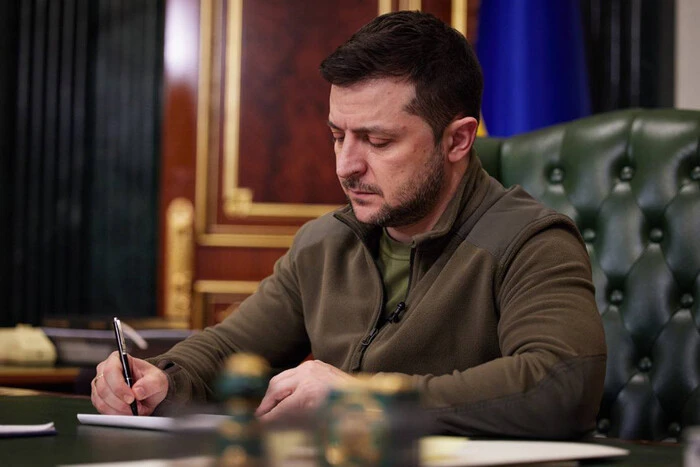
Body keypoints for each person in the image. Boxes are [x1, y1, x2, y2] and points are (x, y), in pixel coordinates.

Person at [91, 10, 606, 439]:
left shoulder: (532, 241)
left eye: (378, 141)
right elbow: (229, 349)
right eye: (338, 136)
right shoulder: (325, 242)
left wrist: (366, 397)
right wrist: (162, 378)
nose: (345, 166)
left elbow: (561, 383)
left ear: (458, 140)